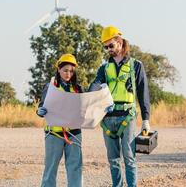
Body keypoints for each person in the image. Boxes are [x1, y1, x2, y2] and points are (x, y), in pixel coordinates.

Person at [89, 26, 151, 187]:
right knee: (113, 159)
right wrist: (90, 90)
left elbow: (143, 93)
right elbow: (95, 85)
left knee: (129, 157)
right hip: (108, 118)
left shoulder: (136, 65)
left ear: (120, 42)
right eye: (106, 47)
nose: (108, 49)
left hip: (127, 116)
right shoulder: (104, 68)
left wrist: (146, 119)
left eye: (111, 45)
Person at [36, 53, 83, 187]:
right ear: (58, 69)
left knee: (75, 168)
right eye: (65, 70)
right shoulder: (50, 86)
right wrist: (40, 111)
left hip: (74, 134)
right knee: (51, 169)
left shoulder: (78, 88)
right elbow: (42, 106)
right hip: (54, 134)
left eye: (71, 71)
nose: (68, 74)